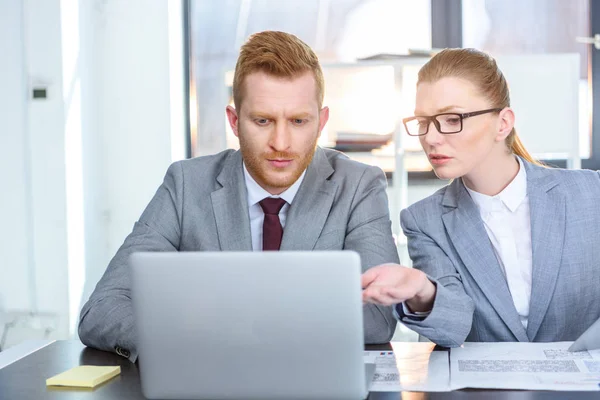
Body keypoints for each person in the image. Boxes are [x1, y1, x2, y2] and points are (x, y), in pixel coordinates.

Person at [78, 31, 399, 361]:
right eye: (263, 120)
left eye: (299, 121)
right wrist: (182, 342)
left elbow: (379, 317)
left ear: (321, 122)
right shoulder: (186, 184)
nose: (281, 142)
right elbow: (102, 309)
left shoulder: (359, 185)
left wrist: (232, 328)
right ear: (234, 121)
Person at [362, 48, 600, 347]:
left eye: (451, 119)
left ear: (503, 123)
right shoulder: (424, 220)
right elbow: (454, 327)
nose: (431, 138)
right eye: (423, 122)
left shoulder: (590, 194)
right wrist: (423, 291)